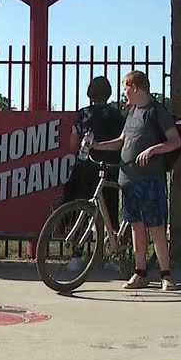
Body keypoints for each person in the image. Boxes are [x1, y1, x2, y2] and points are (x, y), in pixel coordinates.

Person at [90, 70, 181, 291]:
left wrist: (152, 150)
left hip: (149, 178)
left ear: (136, 87)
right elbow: (122, 141)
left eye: (126, 88)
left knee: (156, 227)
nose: (124, 93)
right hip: (128, 178)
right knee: (136, 226)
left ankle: (165, 274)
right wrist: (97, 146)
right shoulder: (131, 112)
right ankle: (140, 272)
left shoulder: (156, 111)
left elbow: (174, 141)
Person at [63, 76, 126, 272]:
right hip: (111, 168)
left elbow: (73, 144)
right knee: (111, 212)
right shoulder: (117, 116)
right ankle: (114, 255)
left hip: (86, 168)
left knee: (80, 209)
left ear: (90, 93)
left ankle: (77, 255)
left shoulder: (83, 115)